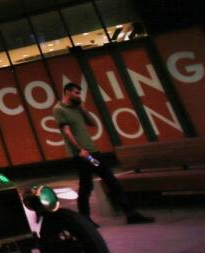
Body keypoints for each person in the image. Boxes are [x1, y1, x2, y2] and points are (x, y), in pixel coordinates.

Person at [54, 82, 154, 226]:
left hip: (91, 152)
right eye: (76, 93)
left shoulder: (76, 108)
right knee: (98, 182)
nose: (78, 96)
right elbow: (67, 132)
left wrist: (82, 109)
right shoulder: (59, 109)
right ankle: (126, 214)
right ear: (67, 92)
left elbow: (92, 123)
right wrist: (80, 150)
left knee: (95, 183)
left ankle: (87, 217)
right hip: (84, 155)